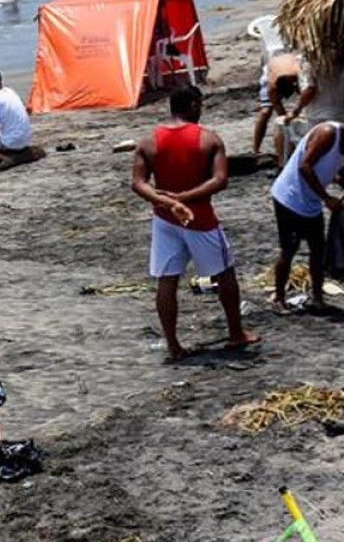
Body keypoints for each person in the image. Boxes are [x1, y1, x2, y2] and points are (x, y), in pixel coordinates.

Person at [130, 86, 259, 360]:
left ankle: (173, 344)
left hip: (165, 219)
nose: (201, 110)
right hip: (200, 219)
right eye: (199, 104)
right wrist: (183, 199)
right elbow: (220, 180)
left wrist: (167, 202)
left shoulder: (149, 141)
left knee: (167, 280)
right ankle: (236, 333)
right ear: (192, 105)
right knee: (225, 273)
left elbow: (138, 183)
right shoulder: (208, 139)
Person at [270, 121, 344, 309]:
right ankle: (279, 298)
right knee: (289, 249)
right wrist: (327, 198)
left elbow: (332, 168)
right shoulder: (328, 133)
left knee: (318, 250)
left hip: (311, 201)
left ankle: (317, 298)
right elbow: (305, 166)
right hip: (290, 197)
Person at [252, 51, 300, 156]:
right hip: (271, 73)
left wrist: (297, 110)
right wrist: (285, 118)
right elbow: (277, 105)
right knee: (266, 111)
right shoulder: (271, 84)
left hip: (291, 68)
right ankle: (256, 150)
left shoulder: (299, 74)